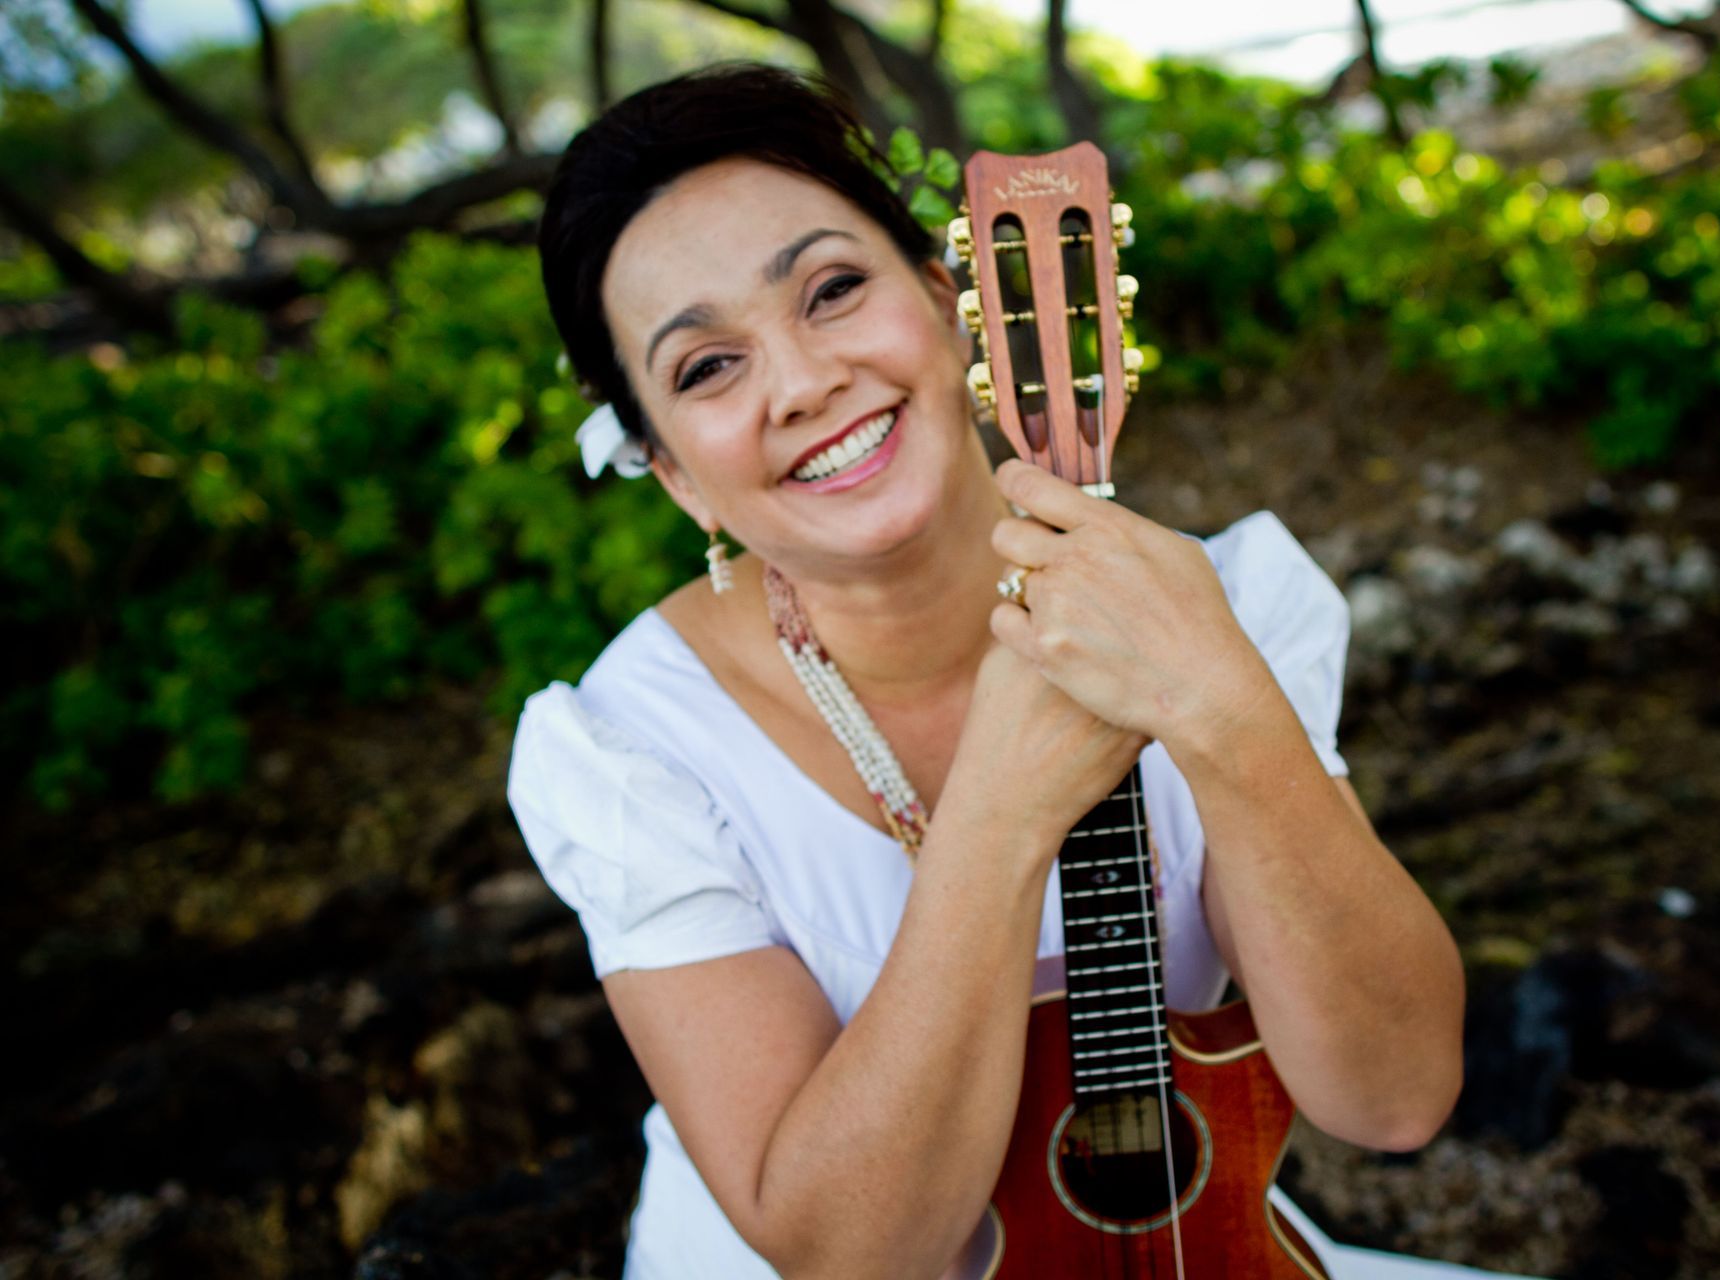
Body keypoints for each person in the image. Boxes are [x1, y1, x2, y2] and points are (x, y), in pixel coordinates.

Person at [509, 62, 1473, 1280]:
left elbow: (1390, 1095)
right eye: (708, 368)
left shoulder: (1224, 609)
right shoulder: (634, 754)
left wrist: (1224, 708)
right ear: (675, 473)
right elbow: (851, 1255)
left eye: (833, 289)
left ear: (945, 289)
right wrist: (1004, 807)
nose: (804, 382)